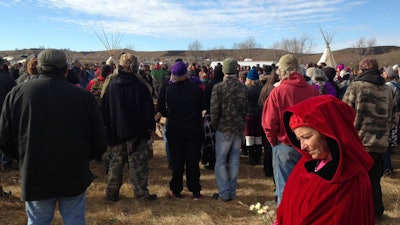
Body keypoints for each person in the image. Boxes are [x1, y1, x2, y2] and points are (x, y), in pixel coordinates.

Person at [0, 49, 107, 225]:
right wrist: (83, 158)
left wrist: (23, 156)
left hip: (36, 171)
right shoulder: (83, 97)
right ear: (66, 69)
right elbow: (99, 139)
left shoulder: (18, 93)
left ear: (39, 68)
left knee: (38, 221)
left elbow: (4, 137)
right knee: (74, 220)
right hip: (72, 171)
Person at [274, 95, 375, 225]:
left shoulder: (349, 178)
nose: (302, 146)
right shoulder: (305, 164)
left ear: (328, 133)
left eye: (307, 137)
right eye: (299, 140)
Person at [261, 54, 320, 206]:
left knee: (285, 189)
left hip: (285, 145)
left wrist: (273, 141)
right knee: (306, 188)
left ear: (282, 70)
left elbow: (269, 123)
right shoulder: (313, 91)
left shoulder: (278, 92)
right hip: (309, 146)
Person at [342, 58, 397, 220]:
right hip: (380, 143)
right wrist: (384, 132)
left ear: (361, 70)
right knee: (374, 179)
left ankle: (357, 213)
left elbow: (344, 113)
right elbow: (393, 117)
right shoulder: (386, 89)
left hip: (359, 142)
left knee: (356, 180)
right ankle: (376, 211)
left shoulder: (356, 87)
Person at [101, 53, 157, 202]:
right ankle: (141, 195)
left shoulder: (111, 85)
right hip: (136, 133)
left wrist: (107, 129)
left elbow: (104, 109)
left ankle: (111, 194)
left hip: (116, 132)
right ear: (135, 67)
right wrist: (150, 129)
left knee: (115, 165)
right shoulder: (140, 86)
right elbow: (148, 110)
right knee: (138, 165)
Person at [158, 60, 204, 200]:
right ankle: (195, 190)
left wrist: (171, 114)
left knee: (177, 162)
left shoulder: (168, 89)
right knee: (192, 161)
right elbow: (202, 106)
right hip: (193, 129)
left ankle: (176, 189)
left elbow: (161, 109)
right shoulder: (195, 89)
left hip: (175, 130)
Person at [210, 58, 248, 202]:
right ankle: (231, 192)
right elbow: (245, 109)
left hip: (223, 128)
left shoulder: (218, 88)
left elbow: (214, 110)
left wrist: (215, 126)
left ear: (225, 70)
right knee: (234, 161)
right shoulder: (242, 87)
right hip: (237, 128)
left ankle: (225, 193)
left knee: (220, 161)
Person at [201, 64, 224, 170]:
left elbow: (205, 99)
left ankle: (211, 161)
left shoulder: (210, 84)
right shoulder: (224, 84)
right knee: (221, 140)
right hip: (222, 116)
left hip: (210, 115)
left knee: (211, 139)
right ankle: (221, 160)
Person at [381, 65, 400, 175]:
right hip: (394, 114)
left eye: (384, 73)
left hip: (388, 115)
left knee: (385, 144)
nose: (383, 75)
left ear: (388, 75)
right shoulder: (396, 85)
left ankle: (387, 166)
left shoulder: (388, 86)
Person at [244, 68, 264, 165]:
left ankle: (252, 158)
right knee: (258, 136)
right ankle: (258, 156)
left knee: (249, 136)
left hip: (249, 115)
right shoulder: (261, 88)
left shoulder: (246, 88)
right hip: (259, 115)